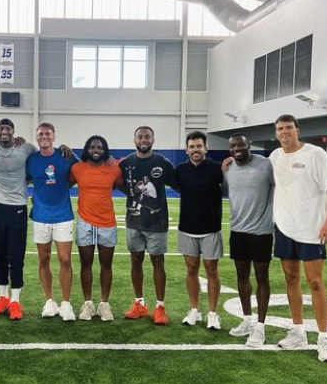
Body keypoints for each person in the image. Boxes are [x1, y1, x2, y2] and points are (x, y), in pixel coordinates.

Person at [269, 114, 327, 363]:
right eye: (280, 129)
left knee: (316, 282)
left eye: (288, 127)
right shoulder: (275, 157)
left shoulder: (315, 154)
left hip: (312, 230)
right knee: (291, 279)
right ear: (276, 133)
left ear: (297, 130)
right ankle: (298, 330)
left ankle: (323, 338)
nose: (284, 132)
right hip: (285, 229)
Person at [0, 119, 38, 320]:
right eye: (1, 128)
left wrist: (64, 149)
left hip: (18, 207)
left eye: (8, 129)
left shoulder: (26, 147)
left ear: (13, 132)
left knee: (16, 256)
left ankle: (15, 301)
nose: (4, 132)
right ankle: (2, 296)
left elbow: (44, 154)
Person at [222, 133, 275, 348]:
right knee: (241, 275)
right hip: (238, 230)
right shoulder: (228, 169)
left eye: (240, 144)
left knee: (262, 277)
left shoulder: (266, 165)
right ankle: (247, 320)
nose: (237, 148)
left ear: (249, 144)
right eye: (233, 145)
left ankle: (260, 327)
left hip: (262, 231)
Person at [119, 126, 176, 326]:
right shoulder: (125, 163)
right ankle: (139, 304)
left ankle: (160, 307)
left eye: (147, 136)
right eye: (140, 136)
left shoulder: (162, 162)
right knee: (135, 262)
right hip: (134, 223)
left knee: (158, 263)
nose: (144, 139)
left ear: (153, 139)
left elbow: (179, 184)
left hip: (156, 223)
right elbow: (118, 182)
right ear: (134, 139)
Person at [26, 122, 78, 321]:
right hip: (40, 216)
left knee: (65, 258)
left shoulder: (65, 155)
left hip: (63, 215)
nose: (44, 136)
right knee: (44, 258)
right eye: (40, 134)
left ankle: (66, 303)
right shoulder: (31, 160)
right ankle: (49, 301)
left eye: (47, 133)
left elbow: (80, 171)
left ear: (54, 136)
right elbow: (23, 179)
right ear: (37, 137)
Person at [70, 135, 123, 322]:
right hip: (85, 222)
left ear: (105, 150)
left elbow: (126, 188)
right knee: (86, 263)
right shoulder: (77, 168)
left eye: (100, 147)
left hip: (107, 223)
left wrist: (119, 165)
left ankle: (104, 304)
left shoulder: (113, 169)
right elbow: (62, 185)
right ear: (87, 149)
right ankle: (87, 304)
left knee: (106, 264)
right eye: (92, 147)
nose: (96, 150)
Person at [174, 131, 224, 330]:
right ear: (187, 149)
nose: (195, 150)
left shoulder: (217, 169)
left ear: (206, 148)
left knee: (212, 270)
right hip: (187, 228)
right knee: (192, 270)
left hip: (211, 228)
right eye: (192, 147)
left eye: (199, 146)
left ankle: (213, 313)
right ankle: (194, 309)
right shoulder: (180, 170)